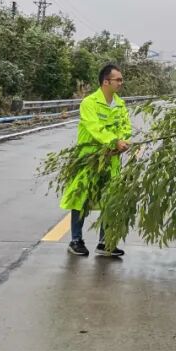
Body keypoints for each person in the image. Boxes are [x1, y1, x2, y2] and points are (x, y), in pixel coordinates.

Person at [61, 63, 132, 258]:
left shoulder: (120, 104)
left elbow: (125, 126)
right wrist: (113, 142)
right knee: (81, 198)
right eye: (118, 79)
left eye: (121, 79)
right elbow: (94, 128)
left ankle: (105, 242)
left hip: (112, 160)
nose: (121, 83)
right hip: (90, 158)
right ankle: (76, 240)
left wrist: (123, 141)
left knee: (110, 199)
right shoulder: (89, 103)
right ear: (106, 81)